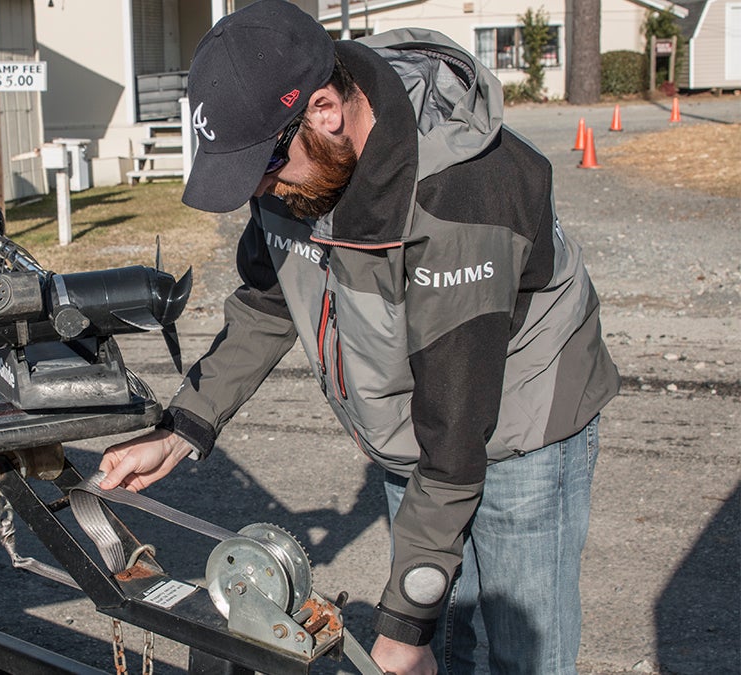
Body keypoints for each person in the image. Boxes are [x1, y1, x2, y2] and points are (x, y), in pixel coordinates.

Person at [97, 2, 620, 674]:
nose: (261, 188)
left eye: (266, 166)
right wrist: (183, 426)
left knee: (521, 651)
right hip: (417, 421)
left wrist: (403, 626)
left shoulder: (458, 193)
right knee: (443, 639)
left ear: (324, 110)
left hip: (524, 415)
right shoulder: (298, 163)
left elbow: (455, 436)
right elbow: (267, 303)